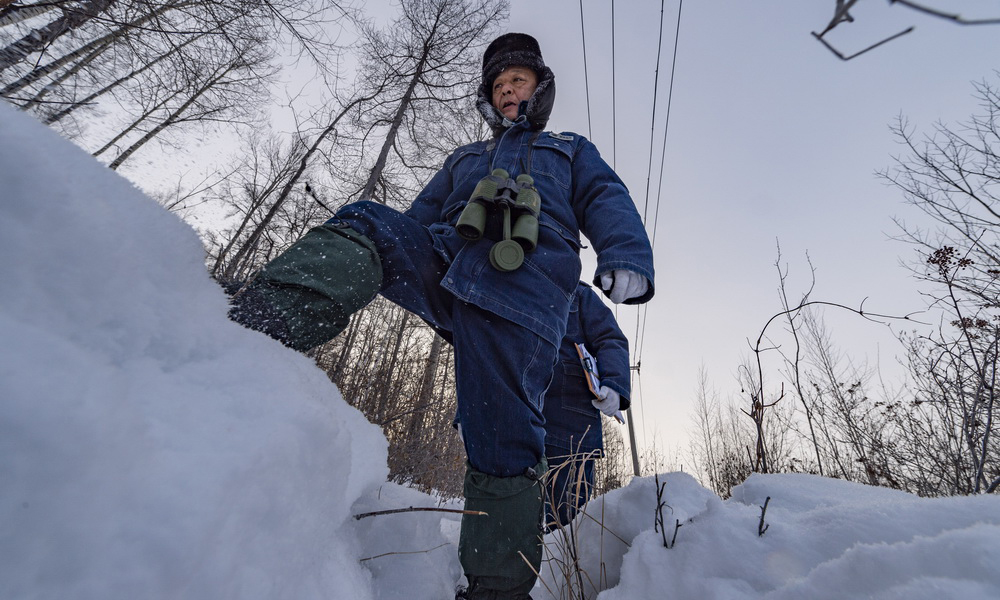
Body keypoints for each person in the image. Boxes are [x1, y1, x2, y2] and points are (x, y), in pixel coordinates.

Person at [229, 32, 654, 600]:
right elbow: (419, 216)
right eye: (499, 85)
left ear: (540, 88)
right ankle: (251, 326)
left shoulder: (569, 148)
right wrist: (397, 251)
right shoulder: (464, 159)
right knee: (370, 223)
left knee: (502, 441)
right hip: (453, 266)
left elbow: (604, 194)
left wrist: (624, 254)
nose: (508, 91)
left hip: (526, 292)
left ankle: (497, 589)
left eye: (518, 81)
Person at [543, 281, 630, 531]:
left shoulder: (579, 295)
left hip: (570, 429)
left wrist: (614, 384)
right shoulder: (505, 285)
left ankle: (565, 569)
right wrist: (470, 410)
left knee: (565, 524)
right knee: (509, 512)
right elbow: (484, 345)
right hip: (510, 419)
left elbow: (610, 338)